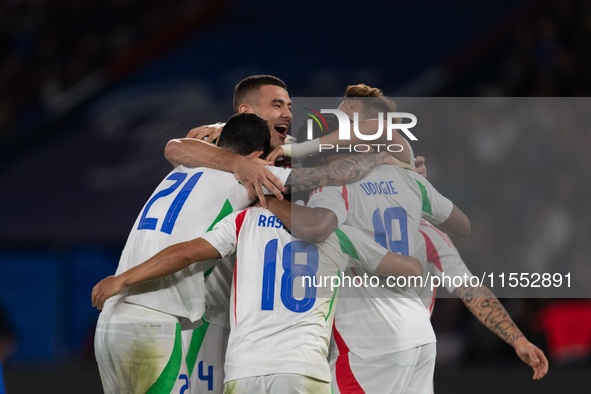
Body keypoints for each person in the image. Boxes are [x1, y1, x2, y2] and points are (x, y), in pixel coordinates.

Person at [164, 76, 410, 393]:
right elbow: (175, 148)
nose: (288, 113)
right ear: (245, 111)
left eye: (290, 106)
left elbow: (391, 141)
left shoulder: (294, 155)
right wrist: (236, 158)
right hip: (212, 318)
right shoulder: (224, 145)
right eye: (277, 105)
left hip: (294, 335)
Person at [92, 203, 424, 394]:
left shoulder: (244, 221)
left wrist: (123, 278)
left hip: (243, 373)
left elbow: (184, 254)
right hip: (302, 371)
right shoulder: (342, 235)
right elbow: (410, 271)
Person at [262, 95, 470, 394]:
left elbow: (318, 226)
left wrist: (269, 198)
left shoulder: (333, 190)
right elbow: (462, 225)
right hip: (419, 334)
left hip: (369, 339)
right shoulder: (407, 174)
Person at [93, 113, 291, 394]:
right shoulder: (248, 180)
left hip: (112, 320)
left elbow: (176, 146)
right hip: (151, 321)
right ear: (258, 156)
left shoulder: (180, 169)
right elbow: (327, 176)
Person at [415, 219, 548, 380]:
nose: (480, 240)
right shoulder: (466, 259)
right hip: (463, 335)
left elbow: (476, 294)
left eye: (484, 234)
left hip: (503, 339)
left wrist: (520, 341)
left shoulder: (510, 267)